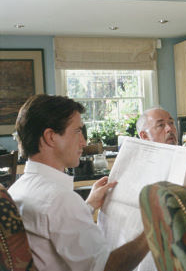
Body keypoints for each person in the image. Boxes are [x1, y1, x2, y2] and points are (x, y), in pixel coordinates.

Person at [9, 94, 149, 271]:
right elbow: (104, 268)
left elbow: (51, 225)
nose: (83, 142)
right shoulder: (59, 200)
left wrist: (88, 205)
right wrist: (152, 232)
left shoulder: (18, 189)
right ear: (50, 137)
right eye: (77, 132)